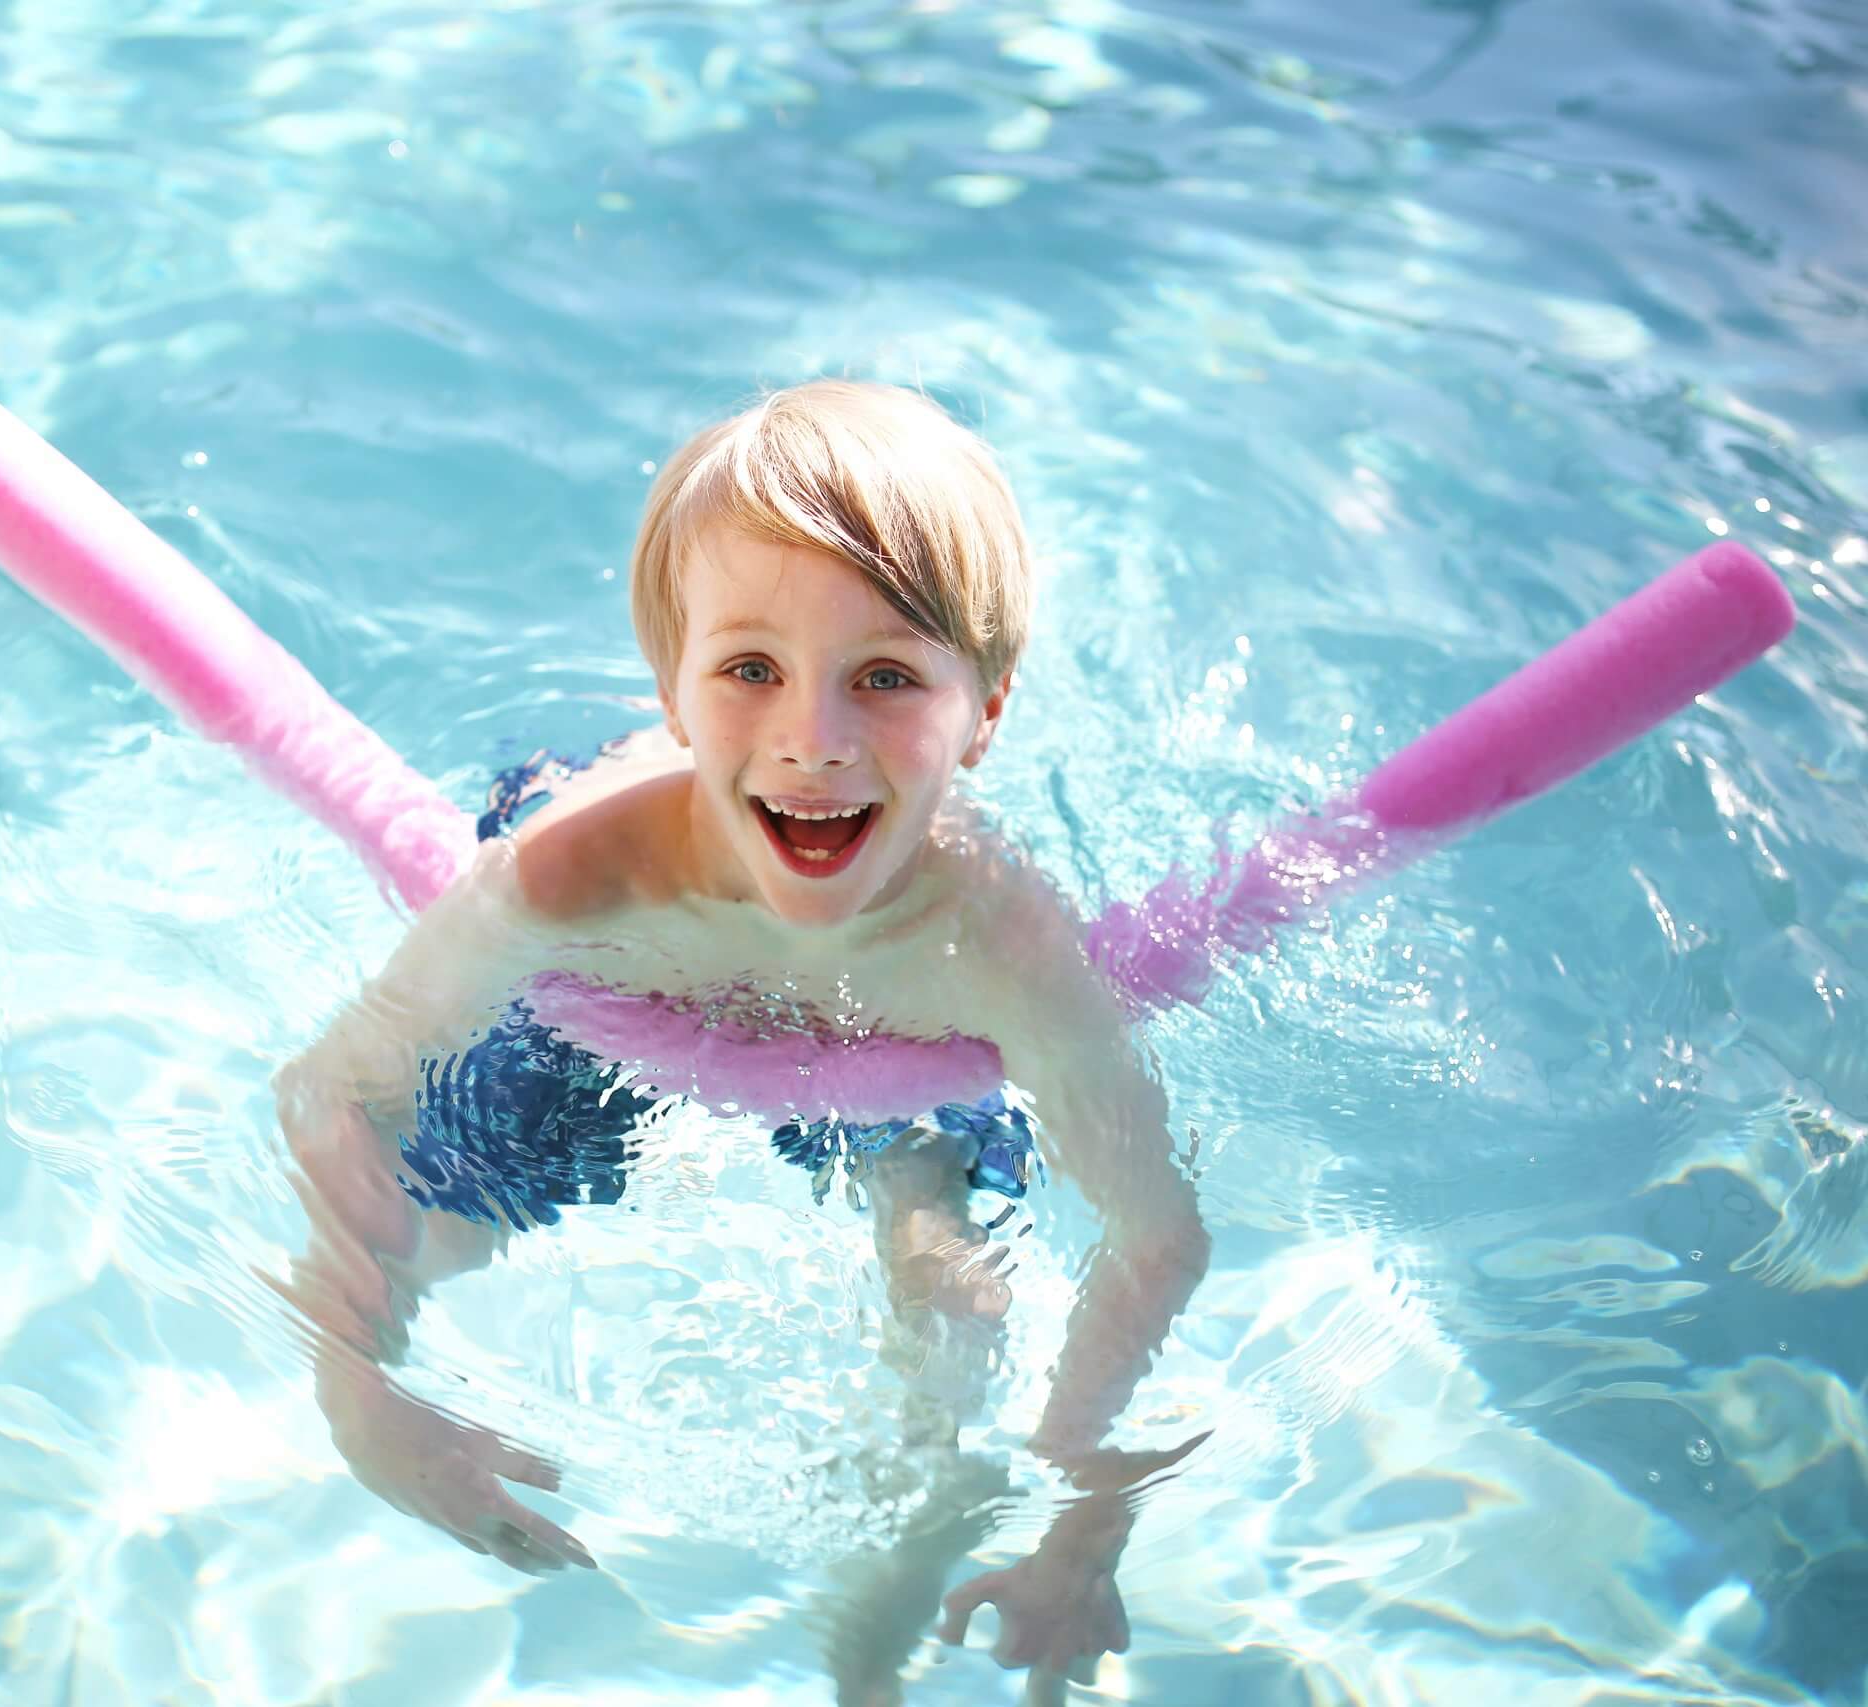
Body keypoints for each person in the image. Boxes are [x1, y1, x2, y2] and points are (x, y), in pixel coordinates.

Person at [272, 379, 1211, 1701]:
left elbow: (1158, 1233)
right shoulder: (573, 880)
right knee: (434, 1216)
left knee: (958, 1296)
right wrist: (361, 1397)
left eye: (885, 677)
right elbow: (333, 1090)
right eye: (749, 670)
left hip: (900, 1039)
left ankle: (874, 1638)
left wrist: (1083, 1509)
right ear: (672, 694)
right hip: (610, 1005)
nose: (813, 740)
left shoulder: (994, 947)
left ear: (986, 710)